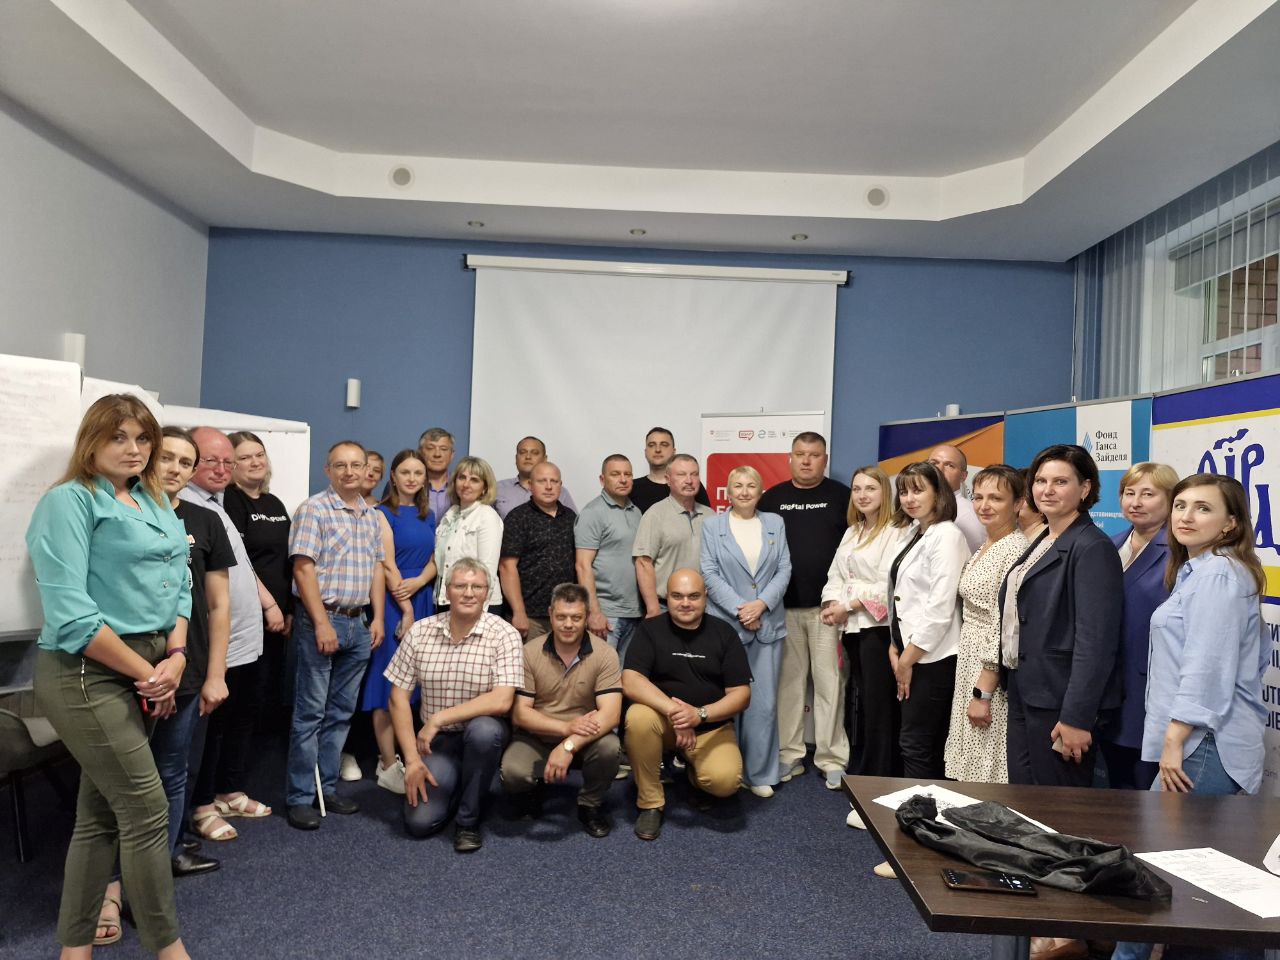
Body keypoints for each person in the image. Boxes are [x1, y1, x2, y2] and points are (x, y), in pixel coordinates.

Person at [27, 393, 193, 960]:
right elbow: (71, 616)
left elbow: (180, 583)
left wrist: (176, 654)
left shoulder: (153, 499)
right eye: (119, 436)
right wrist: (152, 673)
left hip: (151, 663)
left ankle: (73, 951)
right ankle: (169, 950)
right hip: (86, 671)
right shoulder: (69, 501)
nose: (134, 449)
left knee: (98, 816)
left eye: (143, 438)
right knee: (146, 810)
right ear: (91, 440)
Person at [1111, 474, 1270, 960]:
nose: (1185, 516)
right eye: (1181, 505)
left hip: (1203, 745)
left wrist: (1174, 740)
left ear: (1230, 524)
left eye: (1203, 508)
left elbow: (1207, 667)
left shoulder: (1219, 575)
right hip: (1199, 742)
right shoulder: (1197, 570)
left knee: (1159, 875)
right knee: (1200, 883)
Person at [999, 444, 1123, 788]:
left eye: (1060, 482)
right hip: (1026, 689)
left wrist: (1077, 717)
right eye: (1040, 481)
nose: (1047, 490)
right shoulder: (1043, 537)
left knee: (1057, 805)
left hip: (1060, 701)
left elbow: (1095, 643)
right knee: (1024, 798)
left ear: (1085, 488)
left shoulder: (1092, 546)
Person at [385, 558, 523, 852]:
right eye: (460, 586)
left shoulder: (504, 634)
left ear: (488, 593)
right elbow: (397, 699)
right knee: (420, 823)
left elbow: (502, 700)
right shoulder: (420, 632)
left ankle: (468, 821)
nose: (469, 593)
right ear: (447, 592)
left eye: (477, 587)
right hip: (437, 742)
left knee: (484, 731)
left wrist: (439, 718)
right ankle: (460, 780)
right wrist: (411, 760)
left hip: (483, 735)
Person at [285, 441, 386, 830]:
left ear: (366, 470)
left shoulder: (370, 515)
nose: (349, 472)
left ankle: (325, 788)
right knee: (310, 712)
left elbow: (376, 568)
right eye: (340, 465)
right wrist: (321, 623)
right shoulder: (314, 509)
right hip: (322, 620)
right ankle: (299, 797)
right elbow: (303, 569)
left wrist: (377, 618)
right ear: (328, 470)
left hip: (358, 623)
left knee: (341, 713)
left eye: (356, 465)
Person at [180, 427, 274, 842]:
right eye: (210, 461)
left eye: (226, 462)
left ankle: (228, 791)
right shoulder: (185, 508)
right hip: (217, 643)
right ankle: (202, 805)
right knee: (211, 729)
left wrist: (267, 604)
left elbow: (241, 566)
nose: (221, 469)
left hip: (246, 637)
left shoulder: (218, 505)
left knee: (240, 719)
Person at [155, 429, 233, 877]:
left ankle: (167, 854)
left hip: (190, 662)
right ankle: (119, 872)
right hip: (131, 662)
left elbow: (218, 604)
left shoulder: (205, 521)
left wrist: (215, 673)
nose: (175, 469)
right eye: (166, 457)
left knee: (175, 767)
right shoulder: (120, 512)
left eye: (185, 462)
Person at [622, 569, 751, 840]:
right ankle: (650, 803)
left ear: (705, 596)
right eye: (677, 596)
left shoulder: (724, 633)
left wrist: (699, 715)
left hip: (710, 726)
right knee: (638, 717)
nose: (685, 603)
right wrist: (678, 713)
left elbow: (741, 694)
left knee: (725, 783)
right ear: (666, 597)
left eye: (693, 596)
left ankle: (693, 774)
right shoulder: (650, 630)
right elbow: (631, 681)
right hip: (662, 722)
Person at [759, 431, 852, 789]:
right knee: (789, 687)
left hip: (827, 610)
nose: (807, 460)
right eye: (800, 454)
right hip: (784, 609)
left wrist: (843, 601)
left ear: (824, 459)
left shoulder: (842, 496)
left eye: (814, 455)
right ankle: (790, 754)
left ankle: (832, 758)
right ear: (790, 457)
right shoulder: (772, 498)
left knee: (830, 685)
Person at [820, 466, 906, 828]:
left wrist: (849, 605)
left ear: (885, 492)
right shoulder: (854, 531)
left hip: (878, 630)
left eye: (870, 488)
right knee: (866, 705)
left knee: (880, 709)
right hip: (852, 629)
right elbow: (835, 575)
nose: (862, 495)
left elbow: (891, 586)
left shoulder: (896, 531)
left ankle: (877, 786)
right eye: (857, 489)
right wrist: (831, 604)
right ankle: (867, 776)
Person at [501, 583, 623, 837]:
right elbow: (521, 714)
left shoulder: (605, 654)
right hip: (537, 736)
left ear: (587, 617)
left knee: (610, 748)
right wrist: (565, 728)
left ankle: (589, 804)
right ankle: (532, 790)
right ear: (550, 614)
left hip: (585, 738)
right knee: (513, 772)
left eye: (576, 618)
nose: (568, 624)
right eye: (561, 617)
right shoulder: (529, 652)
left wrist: (568, 745)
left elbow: (611, 715)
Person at [700, 466, 791, 797]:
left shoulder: (775, 523)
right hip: (727, 626)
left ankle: (759, 773)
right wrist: (743, 608)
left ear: (760, 490)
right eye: (737, 485)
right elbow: (709, 572)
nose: (744, 491)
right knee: (724, 702)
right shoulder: (713, 526)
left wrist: (761, 605)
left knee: (763, 705)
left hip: (767, 625)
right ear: (727, 492)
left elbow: (784, 568)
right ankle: (727, 769)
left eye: (751, 485)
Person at [943, 465, 1029, 784]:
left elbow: (1004, 625)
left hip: (989, 670)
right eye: (978, 497)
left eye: (996, 498)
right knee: (971, 751)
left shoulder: (1015, 550)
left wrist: (984, 693)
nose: (984, 505)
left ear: (1018, 503)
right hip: (969, 658)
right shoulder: (987, 544)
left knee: (986, 754)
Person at [359, 449, 437, 795]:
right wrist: (406, 609)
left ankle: (412, 756)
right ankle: (388, 763)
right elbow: (387, 565)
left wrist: (420, 582)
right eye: (405, 472)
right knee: (387, 684)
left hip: (422, 596)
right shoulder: (381, 513)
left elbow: (437, 558)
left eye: (418, 473)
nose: (411, 479)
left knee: (419, 682)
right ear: (393, 475)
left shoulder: (428, 514)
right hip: (394, 602)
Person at [887, 462, 971, 780]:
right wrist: (895, 646)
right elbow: (901, 596)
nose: (909, 498)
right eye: (904, 491)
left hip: (932, 658)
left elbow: (939, 608)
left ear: (938, 493)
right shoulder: (915, 532)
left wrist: (906, 660)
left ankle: (918, 807)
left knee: (918, 743)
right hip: (910, 652)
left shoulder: (947, 535)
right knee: (914, 741)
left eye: (918, 490)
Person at [1102, 462, 1176, 791]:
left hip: (1149, 690)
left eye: (1148, 494)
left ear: (1171, 499)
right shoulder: (1110, 543)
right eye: (1129, 493)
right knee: (1114, 784)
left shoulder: (1180, 552)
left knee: (1144, 789)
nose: (1135, 502)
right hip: (1109, 688)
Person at [223, 431, 293, 730]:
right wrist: (268, 605)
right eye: (245, 457)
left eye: (259, 455)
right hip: (250, 614)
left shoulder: (273, 502)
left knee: (268, 696)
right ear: (232, 464)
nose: (255, 462)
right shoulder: (231, 500)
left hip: (278, 618)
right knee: (244, 700)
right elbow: (238, 561)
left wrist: (288, 609)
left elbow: (285, 559)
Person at [500, 461, 578, 641]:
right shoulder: (518, 517)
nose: (549, 486)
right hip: (529, 616)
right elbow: (506, 567)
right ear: (530, 485)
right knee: (529, 660)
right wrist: (519, 612)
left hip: (564, 614)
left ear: (560, 485)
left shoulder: (571, 517)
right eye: (542, 481)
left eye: (554, 481)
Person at [575, 454, 643, 659]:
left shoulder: (636, 511)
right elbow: (582, 565)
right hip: (607, 613)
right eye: (615, 474)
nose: (623, 479)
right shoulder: (593, 512)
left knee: (626, 674)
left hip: (634, 612)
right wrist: (594, 612)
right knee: (602, 674)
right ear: (602, 479)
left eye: (627, 474)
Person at [632, 454, 714, 618]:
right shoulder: (655, 515)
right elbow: (643, 563)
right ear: (668, 480)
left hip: (704, 606)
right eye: (681, 474)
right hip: (665, 607)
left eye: (694, 474)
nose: (689, 480)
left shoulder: (710, 516)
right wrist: (653, 608)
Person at [433, 456, 504, 613]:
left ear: (484, 488)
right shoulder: (450, 515)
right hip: (449, 599)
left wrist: (478, 612)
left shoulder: (487, 516)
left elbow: (487, 570)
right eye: (462, 477)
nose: (466, 484)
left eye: (474, 480)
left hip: (477, 603)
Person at [628, 427, 710, 513]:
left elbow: (706, 517)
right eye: (651, 445)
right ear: (645, 452)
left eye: (664, 445)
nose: (658, 450)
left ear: (673, 451)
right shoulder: (632, 487)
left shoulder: (690, 485)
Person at [494, 436, 577, 518]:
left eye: (535, 453)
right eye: (522, 452)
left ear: (545, 459)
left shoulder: (559, 492)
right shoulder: (497, 489)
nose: (528, 457)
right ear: (516, 458)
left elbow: (574, 523)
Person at [928, 444, 985, 552]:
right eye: (933, 463)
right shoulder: (915, 508)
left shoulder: (968, 516)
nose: (939, 469)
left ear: (963, 476)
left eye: (949, 465)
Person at [418, 427, 456, 523]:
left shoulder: (462, 486)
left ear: (452, 455)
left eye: (443, 449)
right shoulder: (406, 485)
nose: (437, 454)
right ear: (420, 453)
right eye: (430, 448)